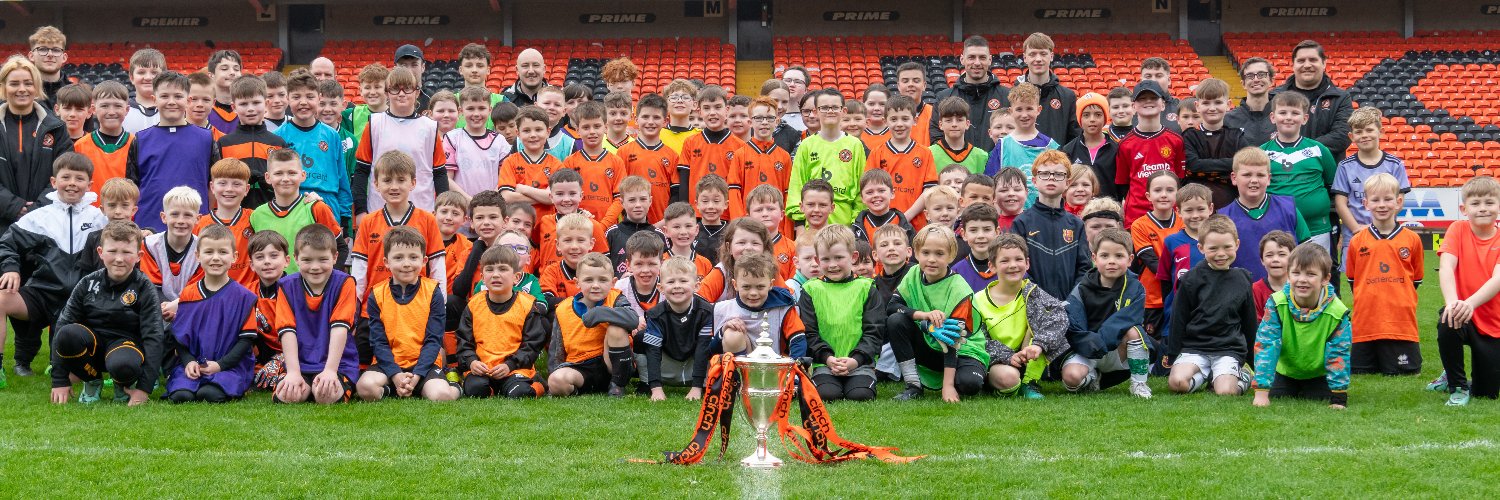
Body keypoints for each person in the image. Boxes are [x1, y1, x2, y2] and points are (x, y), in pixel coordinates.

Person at [0, 152, 106, 383]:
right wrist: (10, 268)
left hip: (81, 300)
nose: (72, 184)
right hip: (42, 295)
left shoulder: (100, 218)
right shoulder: (39, 217)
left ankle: (82, 363)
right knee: (1, 299)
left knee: (72, 372)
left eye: (79, 179)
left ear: (89, 185)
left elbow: (124, 239)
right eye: (65, 177)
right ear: (53, 182)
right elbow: (7, 242)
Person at [48, 220, 163, 405]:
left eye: (126, 252)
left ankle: (122, 383)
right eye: (112, 251)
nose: (119, 258)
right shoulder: (87, 283)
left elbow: (154, 336)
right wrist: (59, 380)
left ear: (139, 255)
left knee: (123, 365)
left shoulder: (144, 287)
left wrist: (143, 388)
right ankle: (92, 380)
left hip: (126, 347)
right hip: (92, 347)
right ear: (101, 252)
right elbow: (63, 324)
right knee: (66, 334)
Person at [885, 225, 987, 402]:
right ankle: (913, 386)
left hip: (963, 350)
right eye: (925, 253)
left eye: (939, 254)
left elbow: (953, 338)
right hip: (932, 345)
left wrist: (947, 386)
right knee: (896, 321)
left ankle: (982, 375)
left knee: (969, 385)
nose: (931, 259)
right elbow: (892, 307)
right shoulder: (913, 273)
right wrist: (923, 316)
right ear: (916, 253)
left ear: (951, 256)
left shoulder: (958, 289)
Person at [356, 226, 457, 402]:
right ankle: (395, 387)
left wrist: (417, 374)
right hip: (388, 363)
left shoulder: (433, 291)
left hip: (424, 363)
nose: (406, 264)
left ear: (424, 260)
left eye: (413, 257)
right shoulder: (377, 294)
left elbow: (433, 340)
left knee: (442, 396)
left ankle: (454, 387)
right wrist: (395, 374)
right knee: (365, 388)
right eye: (398, 257)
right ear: (386, 262)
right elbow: (378, 342)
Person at [165, 224, 259, 403]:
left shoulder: (244, 297)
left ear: (234, 256)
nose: (216, 258)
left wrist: (221, 365)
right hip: (195, 364)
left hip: (230, 367)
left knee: (209, 394)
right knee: (181, 395)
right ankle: (187, 378)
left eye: (223, 252)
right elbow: (180, 338)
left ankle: (223, 383)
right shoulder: (189, 293)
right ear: (198, 256)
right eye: (209, 252)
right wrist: (188, 362)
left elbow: (246, 340)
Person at [1252, 242, 1352, 409]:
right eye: (1296, 273)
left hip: (1318, 373)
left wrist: (1338, 398)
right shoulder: (1276, 303)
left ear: (1325, 279)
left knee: (1318, 397)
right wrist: (1261, 392)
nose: (1302, 280)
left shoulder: (1338, 312)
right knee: (1279, 395)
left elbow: (1339, 353)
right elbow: (1267, 344)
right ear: (1288, 275)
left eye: (1311, 274)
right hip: (1285, 371)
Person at [971, 232, 1070, 399]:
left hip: (1029, 356)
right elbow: (979, 340)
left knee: (1045, 322)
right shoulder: (978, 300)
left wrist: (1038, 345)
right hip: (998, 360)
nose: (1013, 265)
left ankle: (1030, 383)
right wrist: (1008, 356)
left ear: (1027, 263)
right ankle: (998, 384)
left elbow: (1059, 317)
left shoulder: (1032, 292)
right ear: (992, 266)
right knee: (1008, 378)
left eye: (1018, 259)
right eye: (1004, 260)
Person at [1166, 215, 1256, 396]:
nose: (1221, 254)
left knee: (1225, 392)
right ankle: (1207, 376)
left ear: (1237, 245)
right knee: (1177, 383)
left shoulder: (1242, 279)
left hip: (1228, 349)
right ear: (1201, 248)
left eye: (1227, 247)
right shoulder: (1190, 279)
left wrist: (1254, 360)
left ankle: (1242, 375)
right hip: (1195, 348)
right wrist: (1174, 355)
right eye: (1213, 248)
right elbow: (1178, 318)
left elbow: (1249, 322)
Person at [1344, 174, 1422, 375]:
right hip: (1366, 322)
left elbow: (1416, 279)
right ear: (1365, 203)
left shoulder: (1412, 240)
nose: (1382, 205)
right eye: (1375, 200)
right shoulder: (1357, 241)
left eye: (1388, 199)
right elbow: (1353, 280)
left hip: (1400, 322)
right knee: (1361, 371)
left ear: (1399, 202)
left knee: (1404, 372)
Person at [271, 225, 359, 404]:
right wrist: (294, 373)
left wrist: (330, 371)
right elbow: (287, 331)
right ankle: (303, 382)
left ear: (335, 257)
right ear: (296, 258)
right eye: (307, 260)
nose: (315, 267)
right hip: (300, 364)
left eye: (323, 259)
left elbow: (340, 328)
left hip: (338, 364)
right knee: (289, 397)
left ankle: (323, 382)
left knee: (324, 396)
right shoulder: (286, 286)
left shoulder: (345, 283)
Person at [1063, 227, 1152, 398]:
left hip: (1116, 349)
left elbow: (1129, 318)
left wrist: (1101, 340)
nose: (1112, 261)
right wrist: (1090, 343)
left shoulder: (1136, 287)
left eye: (1119, 256)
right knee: (1071, 379)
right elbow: (1074, 324)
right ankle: (1093, 378)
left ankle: (1139, 383)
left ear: (1130, 259)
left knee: (1134, 331)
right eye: (1105, 256)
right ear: (1094, 258)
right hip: (1088, 349)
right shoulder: (1081, 288)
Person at [1436, 176, 1500, 405]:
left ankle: (1461, 379)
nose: (1483, 208)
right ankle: (1457, 386)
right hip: (1464, 314)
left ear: (1499, 206)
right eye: (1476, 203)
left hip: (1494, 323)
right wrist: (1453, 303)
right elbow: (1446, 267)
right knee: (1448, 319)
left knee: (1487, 392)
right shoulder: (1458, 229)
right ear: (1464, 209)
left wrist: (1470, 303)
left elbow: (1498, 279)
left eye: (1489, 202)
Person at [127, 71, 219, 233]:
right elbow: (132, 187)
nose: (171, 102)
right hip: (149, 226)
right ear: (154, 100)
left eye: (178, 96)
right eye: (164, 96)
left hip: (195, 225)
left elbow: (213, 185)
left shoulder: (206, 138)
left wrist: (207, 218)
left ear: (188, 100)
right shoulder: (140, 139)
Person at [800, 225, 884, 402]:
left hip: (860, 363)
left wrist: (856, 360)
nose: (832, 265)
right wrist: (827, 358)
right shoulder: (810, 289)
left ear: (853, 257)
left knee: (860, 395)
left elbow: (874, 331)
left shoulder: (866, 287)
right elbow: (809, 332)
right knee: (828, 394)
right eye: (826, 259)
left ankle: (863, 374)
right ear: (817, 259)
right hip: (824, 363)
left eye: (839, 257)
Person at [454, 243, 549, 399]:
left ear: (516, 277)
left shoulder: (527, 305)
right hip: (483, 369)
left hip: (515, 369)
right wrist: (471, 362)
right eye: (490, 269)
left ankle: (538, 384)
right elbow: (464, 341)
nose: (496, 275)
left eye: (503, 269)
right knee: (475, 391)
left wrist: (509, 365)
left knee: (519, 393)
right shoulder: (473, 304)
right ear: (483, 277)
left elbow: (532, 344)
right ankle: (491, 389)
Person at [351, 150, 447, 301]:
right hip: (374, 309)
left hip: (418, 307)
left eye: (401, 180)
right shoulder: (368, 222)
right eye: (387, 180)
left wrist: (441, 305)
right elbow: (359, 269)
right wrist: (355, 305)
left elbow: (437, 267)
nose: (394, 187)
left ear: (413, 183)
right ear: (376, 184)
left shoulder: (427, 220)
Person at [354, 67, 447, 215]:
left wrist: (442, 210)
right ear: (387, 93)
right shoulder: (374, 124)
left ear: (417, 92)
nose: (402, 94)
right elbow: (361, 170)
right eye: (395, 89)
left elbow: (439, 173)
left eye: (408, 89)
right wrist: (360, 211)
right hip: (379, 210)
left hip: (422, 209)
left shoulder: (430, 127)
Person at [1, 56, 75, 233]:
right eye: (14, 84)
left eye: (28, 83)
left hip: (46, 225)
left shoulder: (56, 128)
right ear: (4, 87)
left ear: (36, 87)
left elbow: (66, 173)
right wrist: (14, 206)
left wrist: (37, 209)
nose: (22, 89)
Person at [547, 252, 638, 396]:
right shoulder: (563, 308)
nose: (596, 285)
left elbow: (633, 320)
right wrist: (553, 375)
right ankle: (578, 390)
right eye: (589, 280)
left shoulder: (616, 298)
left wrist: (600, 313)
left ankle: (617, 385)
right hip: (579, 366)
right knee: (556, 380)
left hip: (610, 363)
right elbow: (556, 348)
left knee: (616, 328)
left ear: (613, 282)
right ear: (577, 282)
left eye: (602, 280)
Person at [1333, 107, 1411, 262]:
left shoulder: (1395, 165)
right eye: (1359, 131)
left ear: (1380, 132)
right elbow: (1340, 203)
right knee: (1356, 283)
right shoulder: (1345, 166)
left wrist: (1379, 226)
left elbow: (1398, 201)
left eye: (1369, 130)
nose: (1364, 135)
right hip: (1355, 236)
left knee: (1388, 279)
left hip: (1386, 233)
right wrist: (1356, 229)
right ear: (1351, 136)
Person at [1262, 91, 1337, 251]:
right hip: (1275, 229)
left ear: (1305, 118)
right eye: (1282, 112)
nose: (1288, 117)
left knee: (1314, 273)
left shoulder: (1319, 149)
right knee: (1278, 273)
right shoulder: (1262, 153)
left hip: (1317, 229)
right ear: (1272, 117)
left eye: (1295, 113)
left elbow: (1333, 185)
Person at [275, 72, 352, 227]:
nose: (303, 102)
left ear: (319, 98)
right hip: (291, 204)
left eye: (310, 97)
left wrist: (344, 218)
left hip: (328, 206)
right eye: (296, 97)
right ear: (288, 99)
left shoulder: (331, 136)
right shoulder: (278, 136)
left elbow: (342, 178)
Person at [1219, 147, 1308, 281]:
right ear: (1234, 177)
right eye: (1247, 175)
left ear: (1269, 178)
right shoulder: (1223, 218)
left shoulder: (1289, 208)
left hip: (1286, 292)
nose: (1254, 180)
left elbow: (1306, 252)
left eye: (1260, 175)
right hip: (1242, 294)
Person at [1012, 151, 1090, 301]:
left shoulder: (1076, 224)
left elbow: (1084, 268)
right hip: (1033, 302)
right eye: (1045, 174)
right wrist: (1039, 298)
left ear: (1067, 182)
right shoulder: (1022, 223)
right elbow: (1018, 266)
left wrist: (1072, 300)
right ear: (1034, 181)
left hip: (1070, 305)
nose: (1051, 178)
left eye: (1059, 174)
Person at [250, 148, 345, 273]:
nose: (285, 178)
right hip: (273, 290)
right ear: (268, 177)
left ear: (303, 175)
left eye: (292, 173)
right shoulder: (257, 215)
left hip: (310, 288)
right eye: (278, 173)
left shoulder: (316, 208)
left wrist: (328, 282)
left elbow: (340, 248)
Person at [638, 256, 715, 401]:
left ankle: (706, 383)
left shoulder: (706, 312)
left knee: (717, 342)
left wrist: (696, 388)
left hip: (695, 360)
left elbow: (703, 348)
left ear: (697, 286)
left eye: (683, 281)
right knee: (640, 338)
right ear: (661, 288)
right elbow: (653, 351)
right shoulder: (655, 314)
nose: (677, 286)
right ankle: (646, 383)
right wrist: (656, 389)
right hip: (667, 361)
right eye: (671, 281)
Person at [787, 90, 867, 226]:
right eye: (824, 108)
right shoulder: (806, 145)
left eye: (835, 107)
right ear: (816, 111)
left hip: (845, 222)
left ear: (844, 111)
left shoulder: (855, 145)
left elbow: (861, 188)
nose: (830, 111)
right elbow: (797, 186)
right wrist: (800, 224)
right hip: (812, 222)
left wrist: (856, 223)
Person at [1114, 80, 1185, 222]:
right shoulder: (1125, 144)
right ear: (1133, 106)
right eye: (1142, 99)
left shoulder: (1176, 140)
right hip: (1137, 216)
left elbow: (1180, 178)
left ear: (1163, 104)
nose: (1148, 102)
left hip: (1170, 215)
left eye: (1153, 98)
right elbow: (1123, 184)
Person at [1271, 40, 1354, 155]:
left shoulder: (1341, 98)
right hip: (1281, 169)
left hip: (1324, 171)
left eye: (1313, 60)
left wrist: (1298, 152)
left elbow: (1342, 136)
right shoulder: (1274, 97)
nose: (1307, 65)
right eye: (1301, 61)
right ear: (1293, 65)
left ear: (1324, 63)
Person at [217, 75, 286, 208]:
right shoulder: (224, 143)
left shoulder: (278, 143)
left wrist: (265, 180)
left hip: (271, 212)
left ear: (266, 104)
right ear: (234, 107)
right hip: (234, 212)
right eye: (243, 104)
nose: (250, 109)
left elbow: (283, 180)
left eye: (256, 103)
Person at [930, 36, 1008, 151]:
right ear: (962, 59)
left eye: (982, 57)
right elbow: (936, 137)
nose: (977, 63)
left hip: (998, 167)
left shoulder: (1007, 96)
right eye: (971, 57)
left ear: (990, 60)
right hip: (958, 166)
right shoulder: (944, 98)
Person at [984, 83, 1058, 204]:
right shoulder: (1003, 146)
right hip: (1010, 215)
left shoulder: (1050, 146)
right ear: (1011, 111)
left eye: (1029, 108)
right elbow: (991, 184)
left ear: (1038, 110)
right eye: (1019, 109)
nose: (1024, 115)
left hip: (1044, 213)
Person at [677, 86, 746, 215]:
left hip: (728, 215)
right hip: (697, 214)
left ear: (726, 110)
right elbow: (684, 182)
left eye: (717, 107)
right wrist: (685, 212)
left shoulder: (740, 146)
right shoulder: (690, 142)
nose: (712, 112)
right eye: (707, 108)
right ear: (699, 111)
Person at [1183, 78, 1249, 209]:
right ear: (1197, 106)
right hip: (1197, 207)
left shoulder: (1236, 136)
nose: (1212, 108)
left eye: (1218, 102)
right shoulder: (1189, 136)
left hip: (1232, 204)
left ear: (1228, 104)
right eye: (1206, 103)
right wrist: (1229, 168)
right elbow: (1193, 166)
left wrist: (1204, 170)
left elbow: (1245, 166)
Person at [142, 187, 206, 316]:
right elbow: (152, 289)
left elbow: (197, 290)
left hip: (192, 309)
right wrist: (167, 311)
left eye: (188, 215)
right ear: (164, 217)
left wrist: (178, 310)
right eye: (175, 214)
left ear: (198, 219)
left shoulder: (205, 249)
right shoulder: (149, 245)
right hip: (156, 309)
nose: (181, 221)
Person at [194, 159, 257, 286]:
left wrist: (309, 202)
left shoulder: (256, 218)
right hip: (210, 296)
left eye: (236, 184)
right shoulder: (199, 224)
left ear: (247, 189)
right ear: (212, 187)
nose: (229, 189)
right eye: (222, 183)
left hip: (248, 295)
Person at [560, 102, 624, 226]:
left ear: (605, 128)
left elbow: (619, 199)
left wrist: (604, 225)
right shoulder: (570, 162)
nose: (592, 131)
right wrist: (579, 217)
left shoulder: (616, 161)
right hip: (577, 226)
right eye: (586, 127)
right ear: (578, 131)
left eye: (597, 126)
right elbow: (565, 197)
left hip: (607, 228)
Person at [619, 94, 679, 222]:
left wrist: (665, 221)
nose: (650, 122)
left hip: (662, 225)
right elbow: (619, 193)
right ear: (636, 119)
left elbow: (675, 194)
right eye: (645, 117)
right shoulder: (624, 152)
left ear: (665, 121)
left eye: (656, 117)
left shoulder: (672, 155)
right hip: (631, 225)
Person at [74, 81, 134, 204]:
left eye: (117, 106)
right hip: (90, 217)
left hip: (127, 217)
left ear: (127, 110)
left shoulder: (136, 144)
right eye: (105, 106)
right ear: (94, 109)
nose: (111, 111)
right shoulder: (80, 146)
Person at [498, 106, 563, 218]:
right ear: (518, 133)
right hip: (518, 225)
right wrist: (543, 196)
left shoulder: (556, 165)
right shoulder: (510, 162)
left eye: (538, 130)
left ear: (548, 132)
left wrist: (523, 189)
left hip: (547, 225)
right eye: (526, 130)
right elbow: (506, 197)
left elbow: (553, 198)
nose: (533, 135)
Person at [1016, 32, 1079, 145]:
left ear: (1051, 56)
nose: (1038, 59)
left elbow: (1074, 139)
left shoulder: (1067, 97)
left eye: (1043, 54)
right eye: (1033, 54)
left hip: (1057, 161)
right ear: (1025, 58)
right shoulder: (1012, 95)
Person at [1060, 92, 1118, 200]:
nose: (1092, 119)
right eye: (1086, 115)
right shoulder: (1068, 150)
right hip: (1077, 212)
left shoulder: (1116, 149)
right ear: (1080, 119)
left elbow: (1121, 187)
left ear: (1105, 118)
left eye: (1098, 114)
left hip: (1109, 210)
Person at [930, 97, 990, 177]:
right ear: (940, 125)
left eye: (959, 120)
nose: (954, 124)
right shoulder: (929, 154)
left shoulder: (981, 156)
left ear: (967, 124)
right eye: (949, 120)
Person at [613, 230, 666, 316]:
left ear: (661, 263)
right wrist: (633, 322)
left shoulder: (668, 289)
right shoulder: (619, 288)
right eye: (639, 264)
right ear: (628, 265)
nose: (645, 270)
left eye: (651, 264)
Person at [1225, 57, 1276, 146]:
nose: (1256, 79)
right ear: (1243, 84)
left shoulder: (1284, 118)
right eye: (1249, 76)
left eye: (1261, 74)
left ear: (1271, 81)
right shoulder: (1227, 120)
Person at [953, 203, 999, 291]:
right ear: (964, 234)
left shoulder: (1008, 268)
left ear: (997, 232)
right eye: (973, 230)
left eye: (987, 229)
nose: (980, 235)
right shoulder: (956, 272)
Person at [27, 27, 74, 112]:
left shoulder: (76, 93)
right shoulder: (22, 92)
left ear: (64, 57)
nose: (50, 54)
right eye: (43, 49)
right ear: (31, 56)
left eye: (56, 50)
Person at [1251, 231, 1295, 322]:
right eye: (1269, 255)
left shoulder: (1301, 287)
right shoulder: (1255, 290)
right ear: (1262, 260)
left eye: (1282, 254)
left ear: (1292, 259)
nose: (1275, 259)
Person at [122, 48, 165, 134]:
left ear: (163, 77)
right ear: (131, 78)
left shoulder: (174, 110)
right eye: (141, 72)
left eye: (154, 72)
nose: (148, 77)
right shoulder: (122, 111)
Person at [206, 50, 244, 136]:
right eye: (224, 69)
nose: (232, 73)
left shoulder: (249, 110)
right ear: (211, 75)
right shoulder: (203, 110)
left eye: (236, 69)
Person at [1139, 57, 1181, 131]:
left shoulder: (1181, 108)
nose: (1153, 80)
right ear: (1141, 81)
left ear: (1168, 80)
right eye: (1148, 76)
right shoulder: (1130, 109)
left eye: (1159, 76)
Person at [659, 80, 699, 154]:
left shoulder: (701, 136)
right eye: (674, 97)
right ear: (665, 105)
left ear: (694, 105)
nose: (680, 100)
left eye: (685, 97)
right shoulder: (657, 136)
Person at [779, 66, 811, 132]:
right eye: (787, 80)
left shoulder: (814, 119)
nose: (792, 84)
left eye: (797, 82)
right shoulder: (769, 117)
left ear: (806, 90)